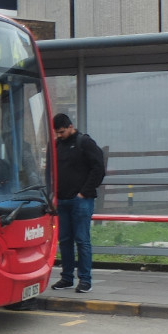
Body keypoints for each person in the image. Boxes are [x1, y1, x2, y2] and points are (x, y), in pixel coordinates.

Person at [52, 113, 105, 293]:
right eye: (57, 133)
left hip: (80, 200)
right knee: (65, 240)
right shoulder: (57, 145)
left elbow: (98, 168)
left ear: (70, 126)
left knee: (82, 240)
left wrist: (84, 192)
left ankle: (85, 280)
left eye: (61, 132)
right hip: (62, 200)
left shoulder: (85, 143)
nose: (59, 135)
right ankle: (67, 278)